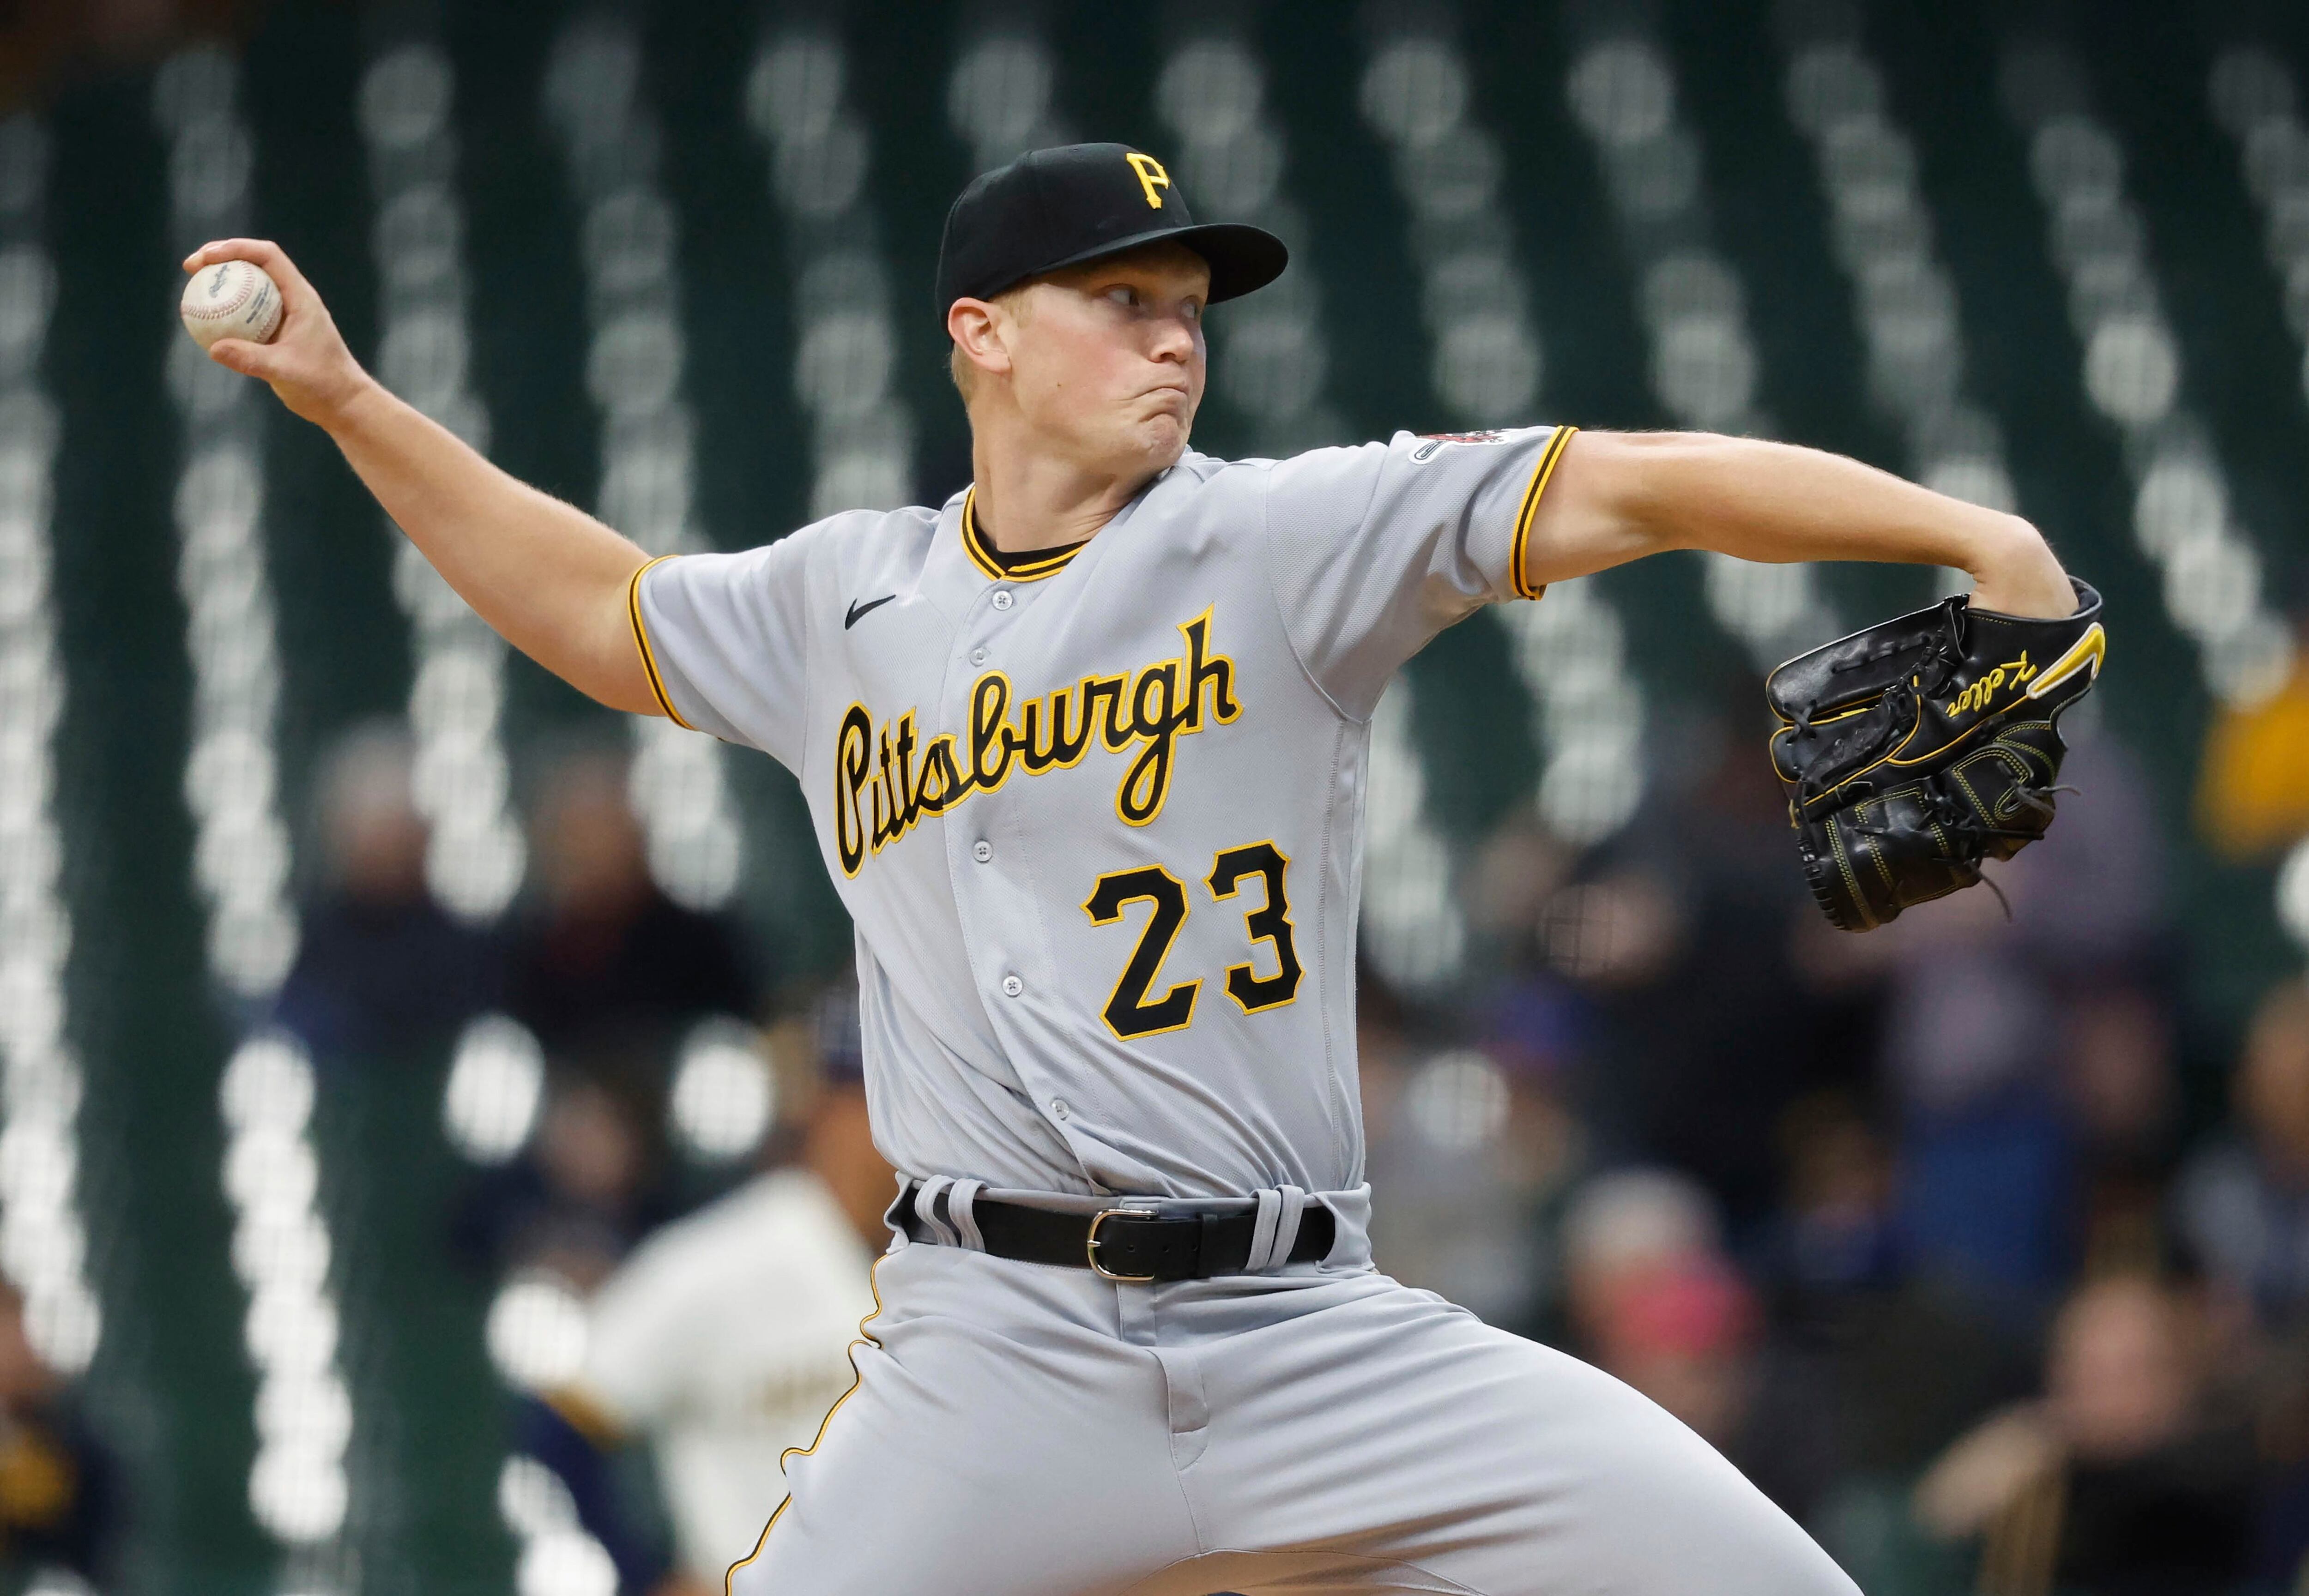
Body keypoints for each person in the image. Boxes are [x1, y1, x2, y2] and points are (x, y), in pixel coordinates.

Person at [187, 139, 2080, 1596]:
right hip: (989, 1347)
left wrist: (1965, 529)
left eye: (1189, 304)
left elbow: (1631, 482)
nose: (1174, 334)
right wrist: (350, 402)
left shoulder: (1282, 537)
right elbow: (600, 610)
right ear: (980, 334)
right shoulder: (848, 598)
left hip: (1310, 1327)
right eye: (1121, 299)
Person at [520, 988, 890, 1594]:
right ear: (827, 1109)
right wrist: (647, 1575)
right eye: (877, 1099)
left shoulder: (961, 1256)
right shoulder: (715, 1262)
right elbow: (560, 1429)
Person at [271, 719, 499, 1060]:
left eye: (398, 827)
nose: (389, 847)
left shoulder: (469, 953)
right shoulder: (313, 951)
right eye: (376, 829)